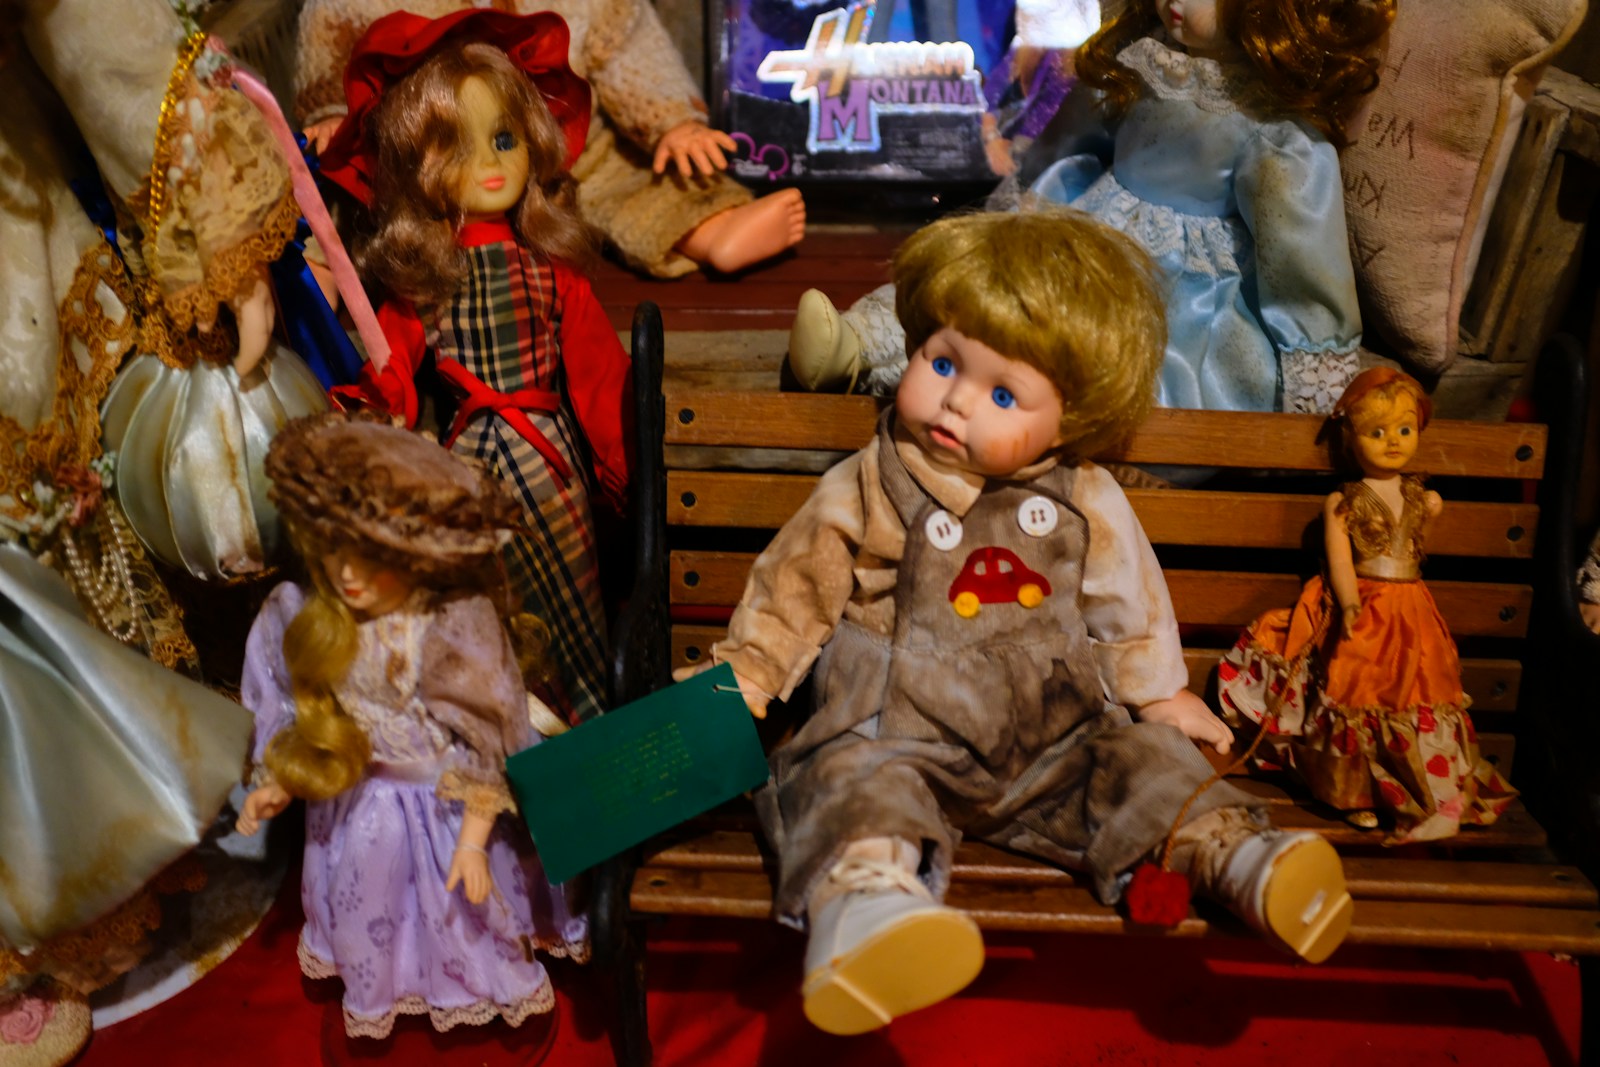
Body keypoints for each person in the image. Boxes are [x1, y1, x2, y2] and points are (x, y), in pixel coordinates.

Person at [682, 209, 1353, 1035]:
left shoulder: (1083, 496)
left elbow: (1127, 599)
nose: (955, 402)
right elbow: (798, 582)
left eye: (1002, 392)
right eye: (942, 362)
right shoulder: (871, 480)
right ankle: (866, 909)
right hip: (894, 728)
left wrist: (1158, 695)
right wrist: (748, 675)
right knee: (847, 783)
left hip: (1055, 736)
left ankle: (1243, 860)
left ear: (1069, 417)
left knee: (1143, 764)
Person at [787, 0, 1391, 416]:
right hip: (1090, 212)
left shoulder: (1273, 132)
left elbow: (1300, 255)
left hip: (1174, 286)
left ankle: (961, 386)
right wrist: (1028, 186)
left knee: (1052, 334)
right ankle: (859, 346)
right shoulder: (1144, 62)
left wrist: (1317, 376)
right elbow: (1082, 140)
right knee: (986, 268)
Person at [236, 412, 586, 1040]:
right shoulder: (314, 618)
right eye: (338, 552)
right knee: (378, 908)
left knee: (462, 915)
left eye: (375, 559)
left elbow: (489, 741)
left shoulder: (450, 627)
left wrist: (475, 840)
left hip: (448, 797)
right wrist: (280, 779)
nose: (349, 575)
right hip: (365, 801)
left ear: (418, 558)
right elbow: (303, 710)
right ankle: (399, 990)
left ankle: (480, 985)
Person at [329, 10, 633, 724]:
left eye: (504, 139)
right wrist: (367, 424)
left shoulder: (554, 276)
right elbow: (393, 379)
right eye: (457, 149)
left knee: (576, 608)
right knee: (484, 606)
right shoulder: (423, 283)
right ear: (414, 163)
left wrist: (621, 471)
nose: (492, 164)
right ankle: (510, 726)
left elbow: (598, 377)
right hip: (468, 468)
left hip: (550, 464)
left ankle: (587, 725)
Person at [1216, 368, 1518, 841]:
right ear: (1352, 438)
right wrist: (1351, 603)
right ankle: (1354, 794)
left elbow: (1417, 550)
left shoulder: (1422, 496)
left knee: (1421, 689)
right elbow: (1340, 561)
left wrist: (1428, 520)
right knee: (1358, 691)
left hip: (1413, 608)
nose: (1392, 442)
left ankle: (1427, 791)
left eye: (1404, 430)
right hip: (1369, 607)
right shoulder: (1344, 501)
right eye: (1376, 433)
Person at [297, 0, 805, 278]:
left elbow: (625, 46)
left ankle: (709, 227)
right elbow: (334, 51)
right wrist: (332, 114)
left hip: (566, 144)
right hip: (434, 157)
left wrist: (669, 119)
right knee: (358, 195)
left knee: (635, 177)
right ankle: (323, 280)